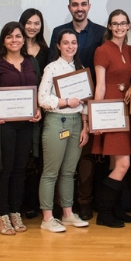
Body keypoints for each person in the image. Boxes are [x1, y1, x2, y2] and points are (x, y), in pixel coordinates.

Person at [0, 21, 43, 235]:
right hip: (2, 126)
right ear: (3, 41)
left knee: (19, 170)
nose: (14, 40)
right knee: (3, 171)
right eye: (9, 36)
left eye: (18, 36)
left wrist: (38, 109)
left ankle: (15, 211)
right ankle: (2, 214)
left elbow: (38, 92)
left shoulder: (32, 62)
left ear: (24, 39)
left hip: (26, 126)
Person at [48, 0, 105, 220]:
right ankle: (61, 205)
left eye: (83, 4)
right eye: (75, 4)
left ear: (89, 6)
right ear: (69, 7)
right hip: (63, 103)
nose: (79, 8)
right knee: (61, 158)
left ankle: (84, 202)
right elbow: (52, 65)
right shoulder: (57, 32)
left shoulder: (101, 32)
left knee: (86, 158)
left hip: (89, 100)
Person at [37, 30, 91, 232]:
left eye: (74, 42)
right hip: (56, 121)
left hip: (77, 123)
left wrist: (85, 125)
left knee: (69, 171)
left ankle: (67, 214)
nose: (70, 46)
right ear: (58, 46)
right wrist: (66, 102)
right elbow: (42, 99)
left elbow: (86, 100)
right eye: (66, 43)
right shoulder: (51, 68)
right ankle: (47, 217)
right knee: (51, 172)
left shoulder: (81, 68)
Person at [92, 9, 131, 228]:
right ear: (109, 27)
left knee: (115, 163)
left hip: (126, 110)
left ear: (128, 25)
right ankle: (103, 213)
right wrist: (97, 119)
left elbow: (130, 78)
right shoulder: (102, 50)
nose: (119, 27)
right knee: (123, 163)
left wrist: (130, 87)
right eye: (115, 24)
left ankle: (116, 210)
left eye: (123, 23)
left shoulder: (129, 50)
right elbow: (100, 86)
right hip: (110, 111)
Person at [18, 8, 49, 219]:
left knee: (38, 157)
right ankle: (17, 202)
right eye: (28, 22)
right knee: (20, 157)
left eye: (36, 23)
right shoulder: (13, 48)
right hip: (17, 110)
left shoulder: (47, 51)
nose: (32, 27)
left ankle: (33, 202)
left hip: (42, 112)